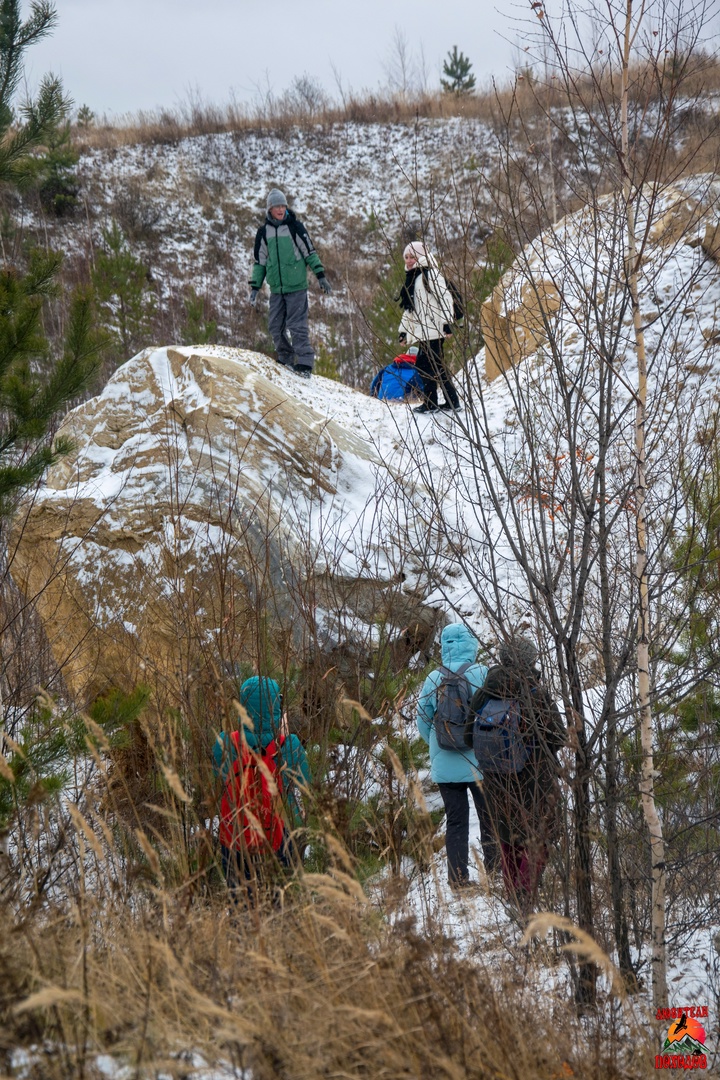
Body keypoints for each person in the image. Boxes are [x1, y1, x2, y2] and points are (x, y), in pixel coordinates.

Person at [467, 637, 566, 910]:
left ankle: (514, 893)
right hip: (535, 779)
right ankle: (525, 891)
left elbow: (467, 736)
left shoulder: (485, 691)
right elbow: (558, 737)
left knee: (508, 836)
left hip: (496, 779)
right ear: (530, 661)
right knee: (540, 835)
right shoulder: (535, 693)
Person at [213, 675, 311, 901]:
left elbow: (216, 776)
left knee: (240, 909)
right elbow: (308, 787)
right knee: (277, 909)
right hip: (275, 841)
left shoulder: (224, 743)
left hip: (234, 841)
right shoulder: (290, 746)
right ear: (276, 706)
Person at [416, 623, 498, 889]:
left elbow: (422, 720)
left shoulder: (433, 678)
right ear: (470, 643)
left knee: (456, 820)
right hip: (478, 761)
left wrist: (437, 742)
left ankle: (458, 879)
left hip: (444, 762)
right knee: (489, 818)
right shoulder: (481, 673)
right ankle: (495, 872)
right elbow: (493, 714)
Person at [249, 189, 332, 379]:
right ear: (269, 209)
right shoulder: (263, 233)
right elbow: (259, 262)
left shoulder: (295, 227)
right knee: (275, 326)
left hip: (296, 287)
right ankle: (285, 357)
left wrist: (320, 275)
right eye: (276, 206)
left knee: (296, 325)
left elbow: (310, 253)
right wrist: (255, 289)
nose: (280, 209)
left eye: (283, 205)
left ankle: (304, 363)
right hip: (277, 289)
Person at [397, 241, 461, 414]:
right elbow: (411, 310)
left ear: (422, 257)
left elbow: (446, 299)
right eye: (407, 257)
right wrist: (404, 331)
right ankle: (450, 402)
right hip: (425, 331)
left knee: (426, 364)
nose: (409, 260)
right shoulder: (413, 278)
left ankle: (434, 403)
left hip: (435, 329)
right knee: (435, 365)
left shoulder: (430, 275)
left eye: (413, 257)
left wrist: (447, 324)